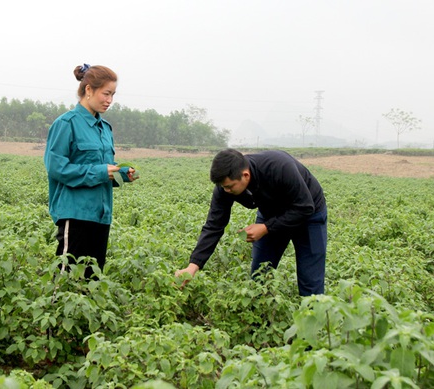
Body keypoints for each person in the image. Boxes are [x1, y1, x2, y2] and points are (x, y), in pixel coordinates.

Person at [175, 148, 327, 296]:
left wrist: (266, 227)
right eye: (223, 187)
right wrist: (193, 266)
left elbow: (305, 207)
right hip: (271, 213)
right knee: (259, 275)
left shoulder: (279, 166)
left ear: (245, 175)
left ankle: (313, 316)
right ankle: (258, 319)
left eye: (229, 187)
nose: (226, 191)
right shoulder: (225, 187)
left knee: (310, 281)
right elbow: (214, 225)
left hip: (309, 214)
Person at [44, 64, 138, 279]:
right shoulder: (66, 123)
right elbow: (57, 168)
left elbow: (104, 169)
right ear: (88, 90)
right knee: (67, 277)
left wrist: (121, 174)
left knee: (92, 279)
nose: (109, 100)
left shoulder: (105, 128)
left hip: (101, 214)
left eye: (112, 94)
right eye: (106, 93)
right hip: (75, 213)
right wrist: (100, 172)